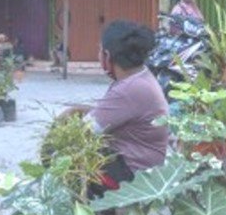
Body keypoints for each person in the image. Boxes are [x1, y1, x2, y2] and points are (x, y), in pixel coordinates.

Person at [65, 20, 170, 186]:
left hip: (134, 175)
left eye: (99, 50)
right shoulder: (141, 76)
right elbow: (114, 113)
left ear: (107, 56)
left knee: (67, 159)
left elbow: (86, 131)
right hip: (148, 165)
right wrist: (75, 110)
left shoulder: (129, 89)